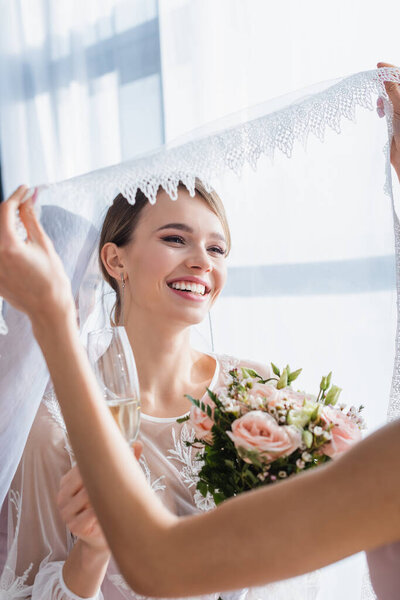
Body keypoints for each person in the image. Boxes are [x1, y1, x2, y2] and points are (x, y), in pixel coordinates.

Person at [0, 63, 400, 599]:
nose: (201, 263)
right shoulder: (52, 417)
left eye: (217, 249)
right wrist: (90, 553)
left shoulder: (256, 394)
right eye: (175, 238)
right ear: (113, 260)